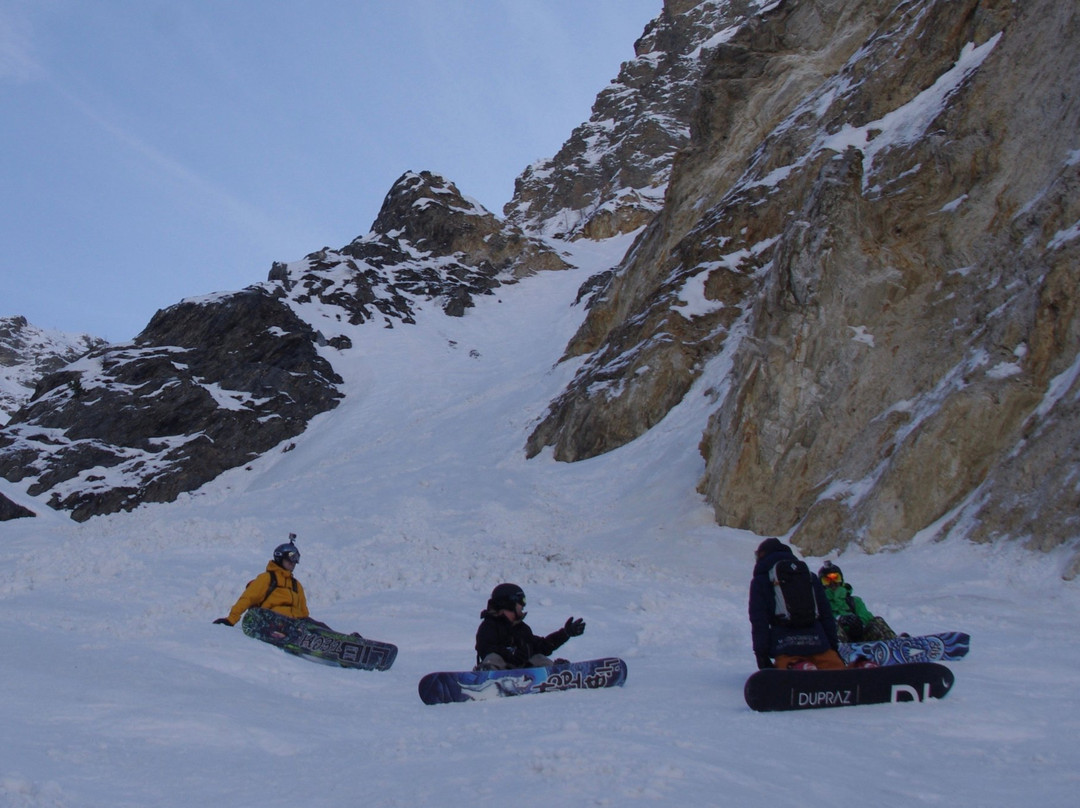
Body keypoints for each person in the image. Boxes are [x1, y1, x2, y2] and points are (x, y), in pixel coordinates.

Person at [748, 538, 846, 671]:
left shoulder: (761, 581)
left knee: (789, 664)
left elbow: (759, 621)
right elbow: (826, 614)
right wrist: (832, 646)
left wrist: (762, 655)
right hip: (818, 640)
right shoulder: (809, 576)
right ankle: (859, 667)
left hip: (785, 643)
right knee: (832, 666)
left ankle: (801, 668)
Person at [474, 583, 586, 670]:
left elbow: (542, 646)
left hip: (524, 673)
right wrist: (510, 652)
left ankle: (556, 674)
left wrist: (565, 633)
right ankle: (486, 677)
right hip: (500, 672)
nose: (523, 605)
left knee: (539, 658)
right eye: (521, 601)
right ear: (508, 603)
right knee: (493, 658)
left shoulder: (522, 629)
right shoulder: (489, 626)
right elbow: (485, 648)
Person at [214, 539, 315, 627]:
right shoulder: (267, 578)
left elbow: (304, 612)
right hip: (272, 622)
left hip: (295, 624)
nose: (293, 563)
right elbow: (247, 598)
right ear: (280, 558)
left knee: (321, 627)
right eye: (290, 560)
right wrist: (231, 619)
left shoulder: (296, 585)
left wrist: (311, 627)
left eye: (295, 560)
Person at [818, 561, 897, 643]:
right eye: (826, 580)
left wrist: (857, 622)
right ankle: (838, 652)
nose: (832, 583)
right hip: (837, 646)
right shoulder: (819, 605)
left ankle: (895, 647)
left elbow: (867, 618)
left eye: (836, 578)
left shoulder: (854, 601)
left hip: (862, 642)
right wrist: (840, 621)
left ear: (841, 580)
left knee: (878, 622)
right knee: (832, 625)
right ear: (820, 584)